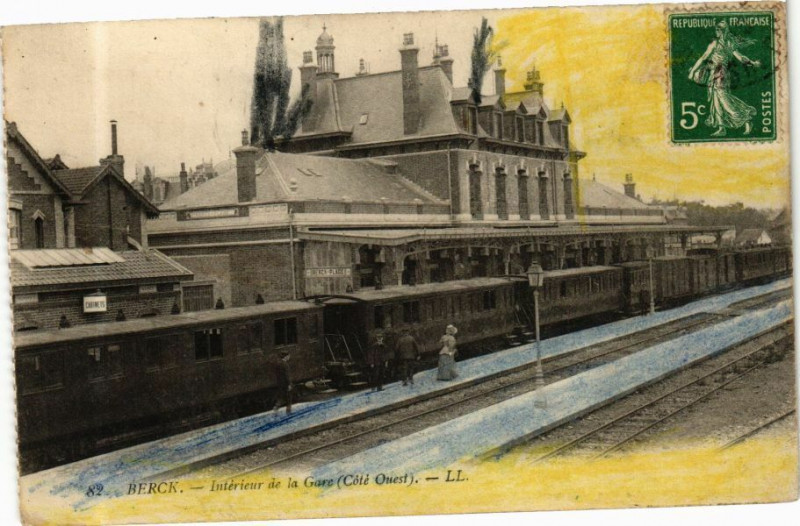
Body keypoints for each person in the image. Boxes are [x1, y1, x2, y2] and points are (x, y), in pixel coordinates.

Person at [688, 20, 760, 137]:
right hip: (714, 73)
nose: (716, 31)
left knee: (724, 100)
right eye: (716, 29)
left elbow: (740, 57)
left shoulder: (724, 43)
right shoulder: (723, 43)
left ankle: (746, 117)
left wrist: (752, 62)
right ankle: (722, 128)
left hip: (720, 74)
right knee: (716, 101)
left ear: (723, 31)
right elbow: (704, 58)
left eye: (718, 30)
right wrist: (693, 71)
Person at [272, 350, 293, 415]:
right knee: (289, 397)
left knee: (281, 397)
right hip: (286, 384)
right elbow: (287, 375)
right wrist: (289, 384)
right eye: (288, 356)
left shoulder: (278, 364)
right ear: (286, 357)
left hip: (280, 383)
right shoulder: (285, 364)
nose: (289, 357)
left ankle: (276, 407)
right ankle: (288, 411)